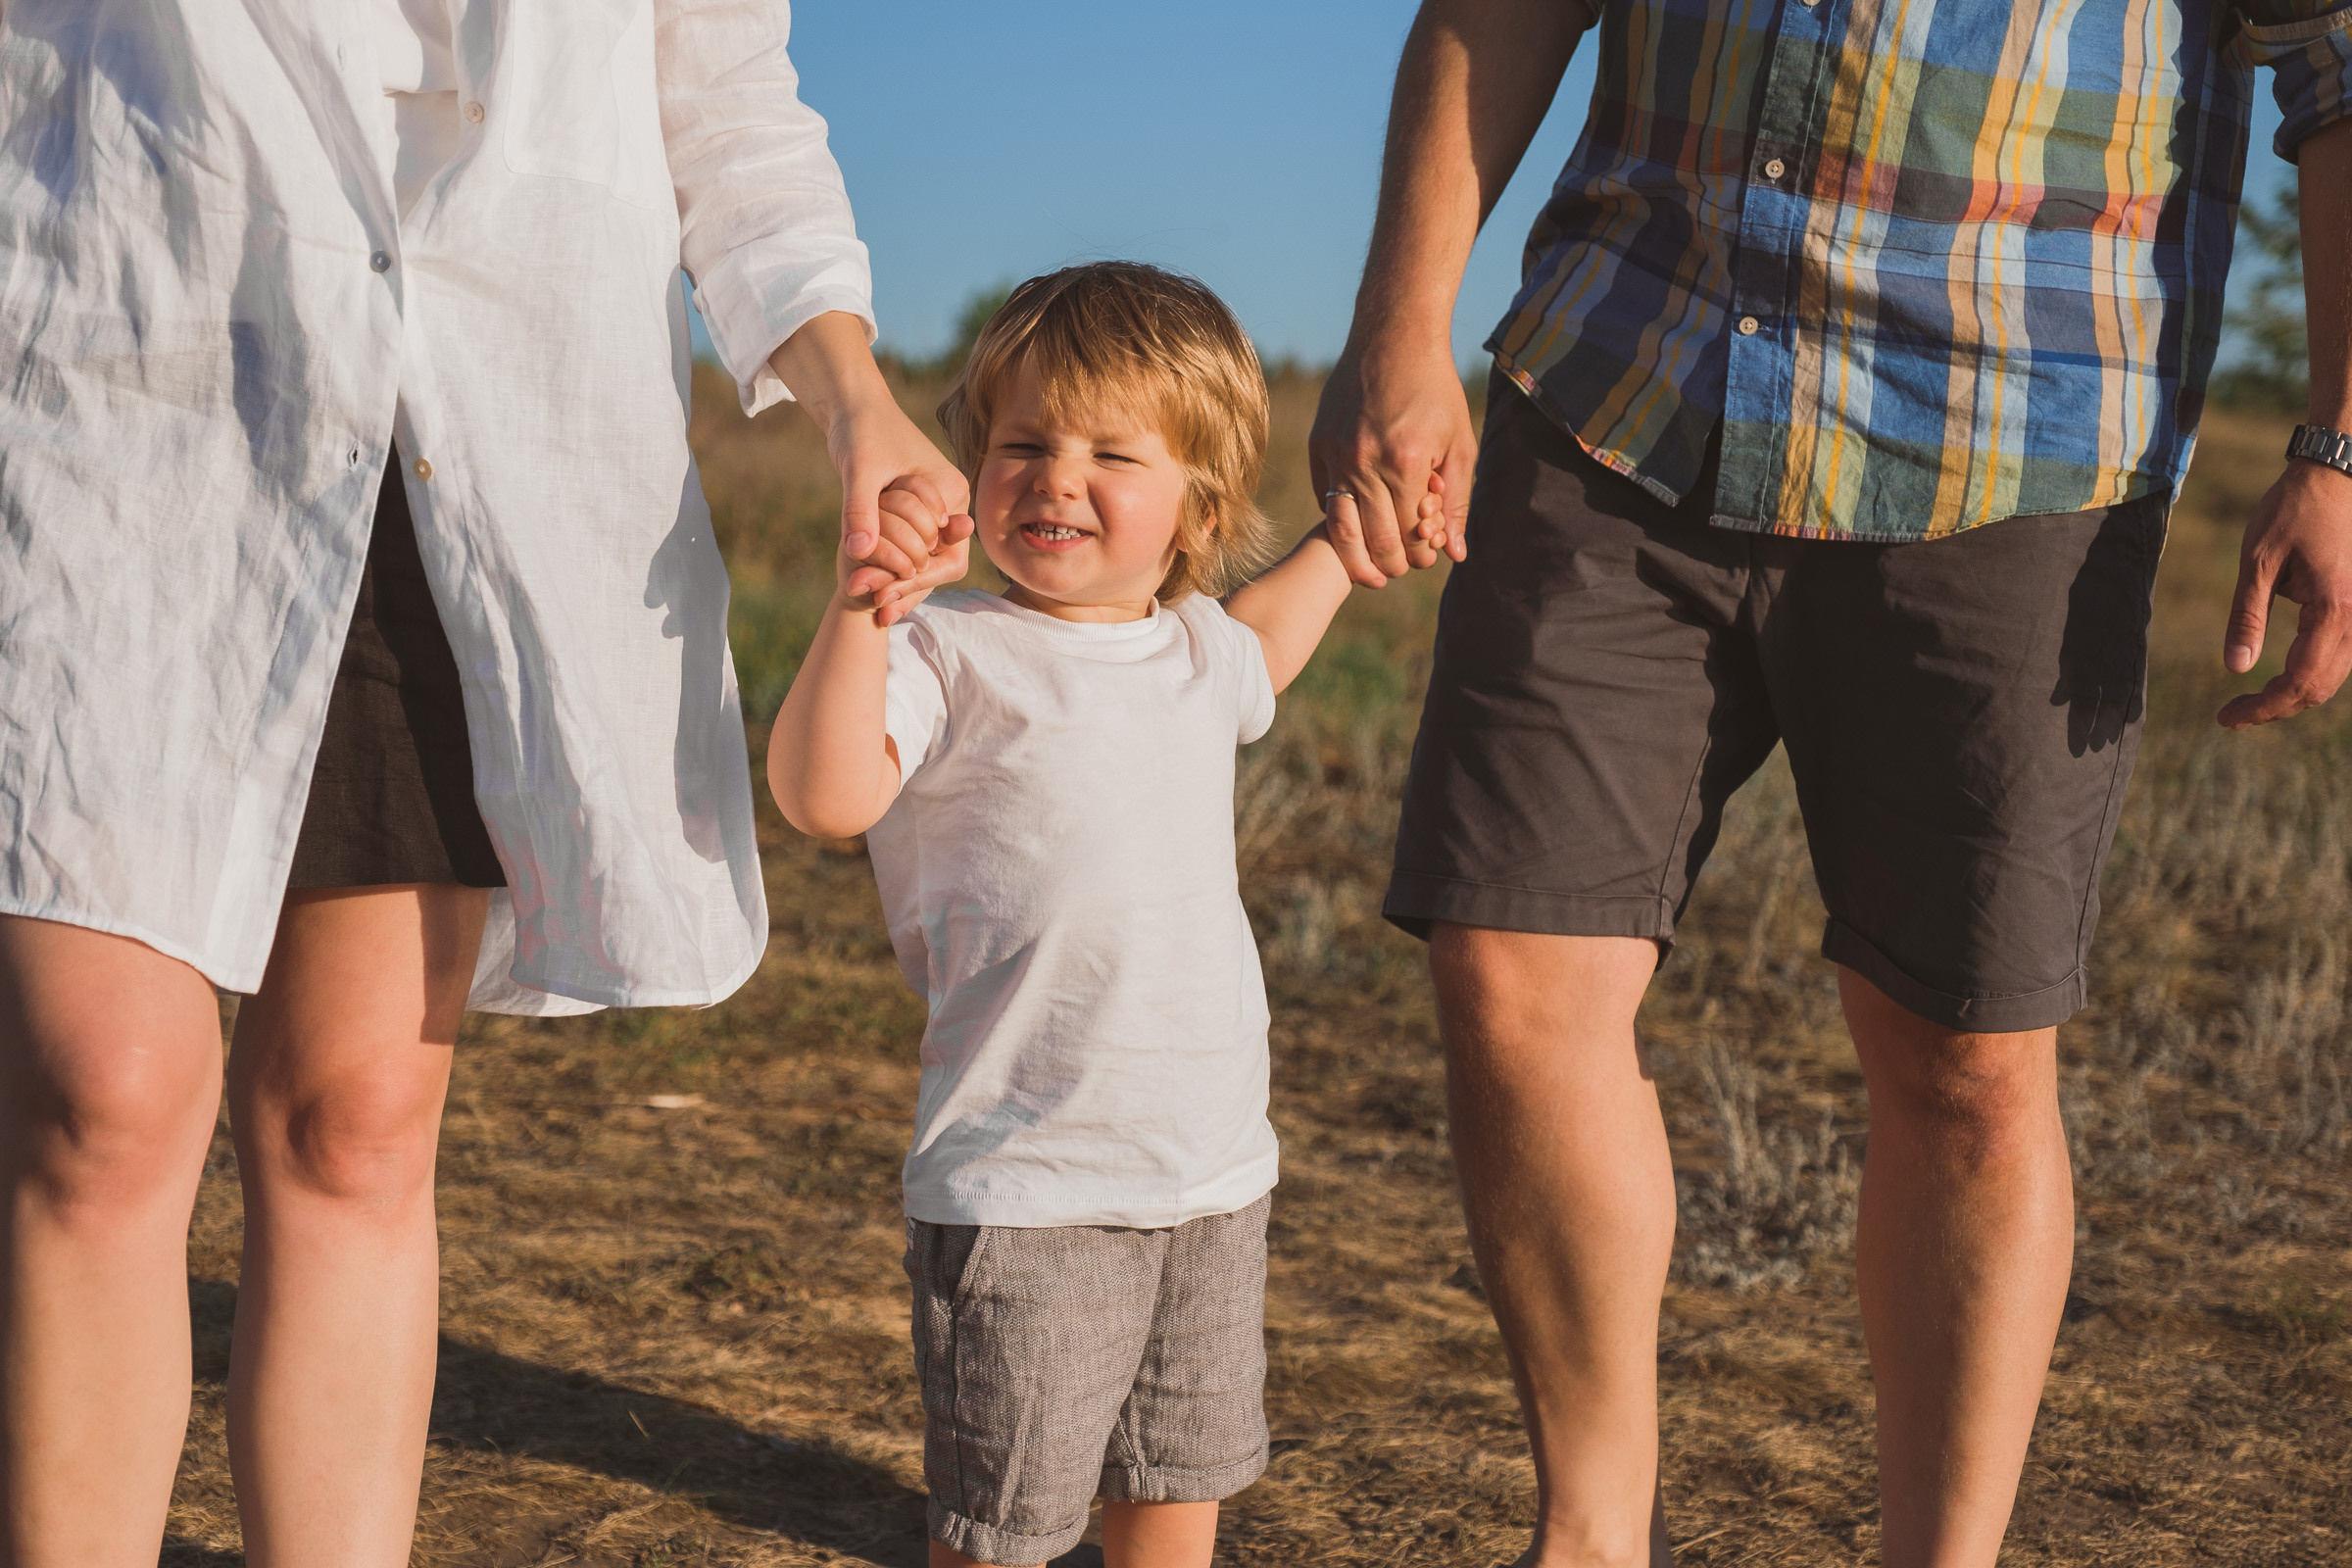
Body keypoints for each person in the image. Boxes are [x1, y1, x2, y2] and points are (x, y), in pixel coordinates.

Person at [1309, 3, 2352, 1565]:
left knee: (1967, 1063)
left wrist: (2342, 446)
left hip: (2020, 440)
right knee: (1510, 966)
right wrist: (1400, 322)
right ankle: (1589, 1541)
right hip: (1625, 373)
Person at [0, 6, 966, 1565]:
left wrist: (856, 397)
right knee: (100, 1095)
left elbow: (717, 93)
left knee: (356, 1119)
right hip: (123, 374)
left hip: (472, 428)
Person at [767, 263, 1445, 1568]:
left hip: (1211, 1172)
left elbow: (1278, 624)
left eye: (1110, 453)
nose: (1056, 476)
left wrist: (1355, 537)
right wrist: (865, 603)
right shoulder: (943, 650)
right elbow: (820, 794)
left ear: (1198, 503)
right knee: (1010, 1524)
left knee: (1176, 1482)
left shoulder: (1199, 647)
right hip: (1030, 1183)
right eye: (1021, 443)